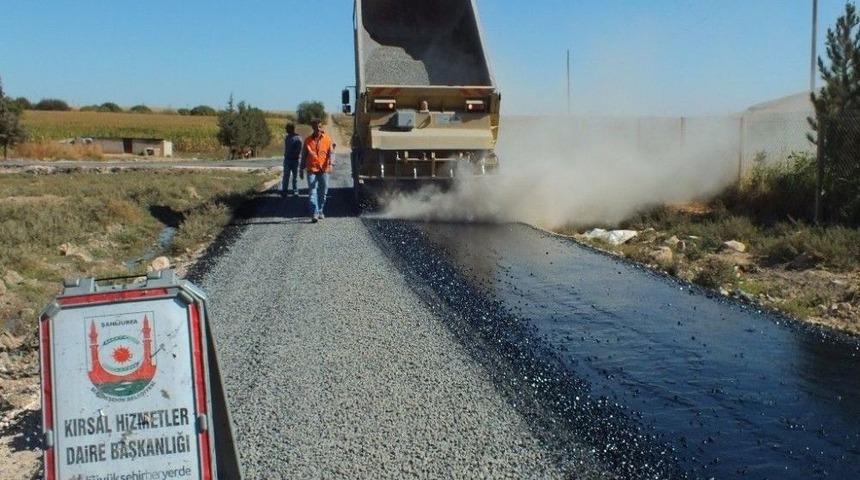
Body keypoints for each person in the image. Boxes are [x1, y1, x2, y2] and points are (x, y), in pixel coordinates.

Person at [300, 118, 334, 222]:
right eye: (315, 126)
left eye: (319, 126)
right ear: (312, 127)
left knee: (323, 192)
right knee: (312, 191)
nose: (317, 128)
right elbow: (304, 155)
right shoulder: (308, 140)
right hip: (311, 169)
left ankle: (320, 210)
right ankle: (314, 213)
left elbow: (331, 153)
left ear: (322, 127)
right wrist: (301, 169)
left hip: (324, 170)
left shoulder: (327, 139)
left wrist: (331, 163)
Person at [282, 123, 303, 197]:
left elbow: (299, 149)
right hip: (287, 160)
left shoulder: (298, 138)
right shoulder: (287, 137)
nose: (286, 130)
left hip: (295, 160)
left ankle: (295, 191)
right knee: (286, 176)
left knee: (295, 177)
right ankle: (284, 191)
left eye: (287, 128)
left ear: (291, 129)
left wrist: (293, 154)